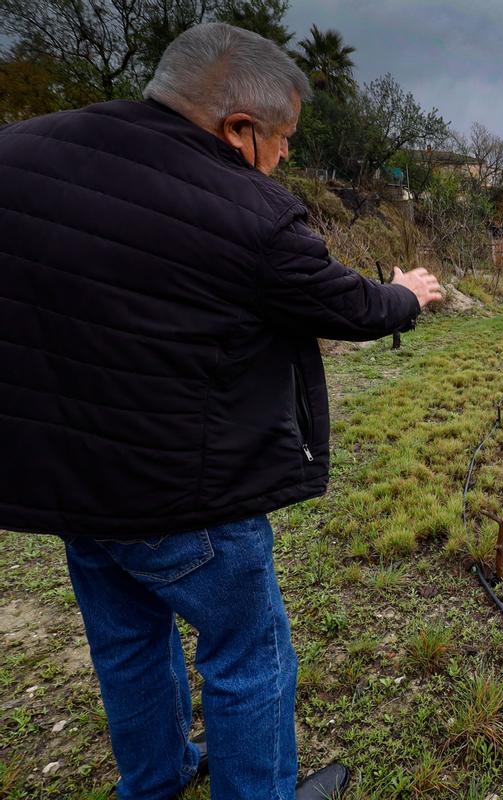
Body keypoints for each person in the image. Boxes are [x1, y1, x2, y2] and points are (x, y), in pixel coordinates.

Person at [0, 22, 443, 800]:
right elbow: (346, 305)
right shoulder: (250, 210)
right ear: (239, 129)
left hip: (69, 486)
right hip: (189, 494)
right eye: (283, 140)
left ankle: (156, 780)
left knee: (128, 645)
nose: (284, 159)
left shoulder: (20, 157)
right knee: (249, 656)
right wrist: (408, 293)